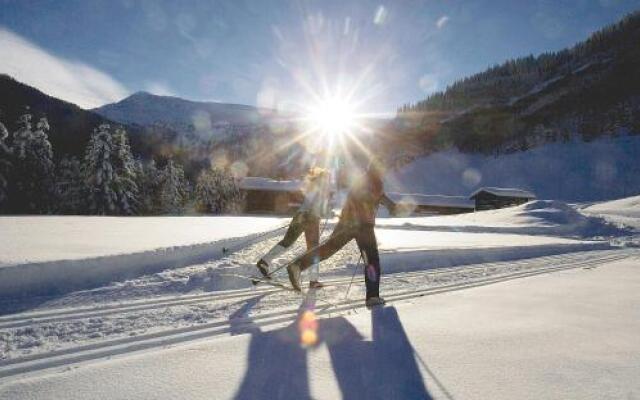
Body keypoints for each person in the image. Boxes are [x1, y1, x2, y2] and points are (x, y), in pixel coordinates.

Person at [286, 158, 390, 308]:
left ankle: (297, 265)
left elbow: (374, 197)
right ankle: (372, 296)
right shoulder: (375, 182)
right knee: (371, 260)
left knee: (329, 248)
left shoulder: (364, 180)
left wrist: (390, 204)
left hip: (346, 223)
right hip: (362, 226)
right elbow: (371, 197)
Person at [256, 167, 331, 288]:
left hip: (300, 215)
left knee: (287, 241)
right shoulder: (321, 189)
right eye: (328, 179)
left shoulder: (312, 186)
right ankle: (313, 280)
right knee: (313, 249)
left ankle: (264, 262)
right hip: (311, 218)